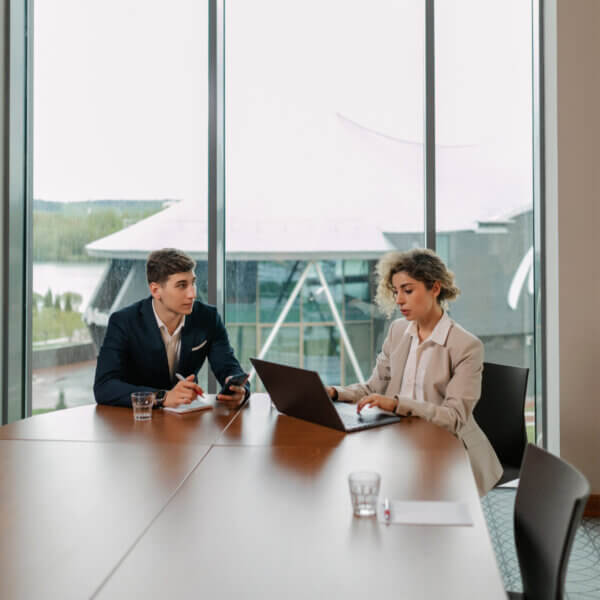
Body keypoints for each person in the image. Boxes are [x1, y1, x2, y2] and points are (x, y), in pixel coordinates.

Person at [326, 248, 502, 496]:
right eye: (396, 291)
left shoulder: (466, 346)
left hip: (447, 449)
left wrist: (396, 404)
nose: (399, 300)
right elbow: (373, 388)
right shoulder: (398, 331)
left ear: (435, 289)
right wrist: (334, 392)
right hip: (402, 439)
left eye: (408, 290)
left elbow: (453, 418)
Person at [94, 248, 249, 410]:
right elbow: (104, 387)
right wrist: (163, 396)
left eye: (193, 283)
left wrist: (239, 389)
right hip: (137, 421)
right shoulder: (124, 322)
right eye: (182, 285)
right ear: (156, 290)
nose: (192, 294)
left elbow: (228, 366)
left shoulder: (207, 318)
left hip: (186, 420)